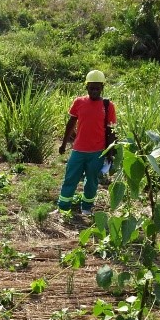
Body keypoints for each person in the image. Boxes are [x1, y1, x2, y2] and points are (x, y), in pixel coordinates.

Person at [57, 70, 117, 216]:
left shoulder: (108, 105)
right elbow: (70, 124)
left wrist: (110, 152)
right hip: (78, 150)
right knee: (70, 178)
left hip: (97, 152)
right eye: (91, 88)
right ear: (86, 87)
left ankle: (86, 208)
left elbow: (111, 131)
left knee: (92, 181)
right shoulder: (79, 102)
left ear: (102, 87)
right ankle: (63, 208)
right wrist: (64, 144)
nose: (94, 91)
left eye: (97, 88)